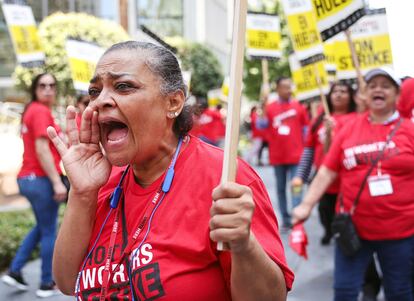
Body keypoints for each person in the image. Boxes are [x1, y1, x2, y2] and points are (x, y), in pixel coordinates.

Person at [48, 41, 294, 300]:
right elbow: (67, 281)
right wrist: (82, 193)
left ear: (173, 102)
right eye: (95, 91)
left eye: (123, 86)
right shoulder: (101, 182)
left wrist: (244, 245)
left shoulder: (226, 179)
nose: (99, 102)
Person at [293, 67, 414, 301]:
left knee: (399, 292)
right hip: (354, 230)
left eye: (385, 85)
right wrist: (306, 205)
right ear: (364, 95)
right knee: (345, 291)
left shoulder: (410, 130)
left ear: (397, 95)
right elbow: (327, 171)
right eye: (372, 86)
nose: (378, 89)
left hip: (401, 233)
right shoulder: (348, 130)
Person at [1, 73, 68, 298]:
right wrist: (57, 182)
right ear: (35, 89)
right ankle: (46, 283)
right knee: (49, 230)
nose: (48, 89)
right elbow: (41, 150)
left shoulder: (33, 110)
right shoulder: (40, 111)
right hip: (39, 179)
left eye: (52, 85)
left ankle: (15, 270)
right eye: (43, 85)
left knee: (42, 226)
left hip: (28, 179)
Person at [292, 82, 356, 245]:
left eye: (343, 91)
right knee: (324, 211)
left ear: (351, 96)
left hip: (346, 180)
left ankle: (341, 235)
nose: (339, 94)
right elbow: (309, 150)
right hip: (323, 180)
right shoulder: (320, 119)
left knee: (343, 215)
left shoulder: (356, 119)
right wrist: (301, 175)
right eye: (335, 91)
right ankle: (328, 231)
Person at [264, 77, 309, 229]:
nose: (288, 90)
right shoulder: (269, 107)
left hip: (296, 155)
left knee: (296, 186)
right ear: (277, 89)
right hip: (277, 156)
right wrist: (262, 108)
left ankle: (296, 217)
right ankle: (285, 219)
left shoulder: (298, 106)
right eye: (284, 87)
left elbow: (306, 129)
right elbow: (261, 125)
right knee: (281, 189)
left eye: (290, 87)